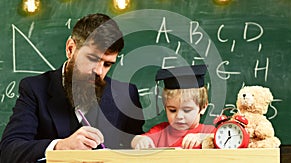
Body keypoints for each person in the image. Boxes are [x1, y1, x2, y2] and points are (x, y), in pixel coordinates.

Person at [0, 13, 144, 163]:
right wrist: (60, 146)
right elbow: (9, 150)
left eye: (107, 64)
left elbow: (134, 146)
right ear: (70, 49)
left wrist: (141, 142)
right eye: (92, 59)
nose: (99, 71)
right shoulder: (34, 89)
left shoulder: (126, 94)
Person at [131, 65, 214, 149]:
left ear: (203, 107)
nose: (179, 116)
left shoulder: (208, 131)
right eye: (172, 110)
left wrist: (204, 138)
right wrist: (140, 140)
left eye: (186, 110)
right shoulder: (160, 132)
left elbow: (221, 139)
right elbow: (135, 140)